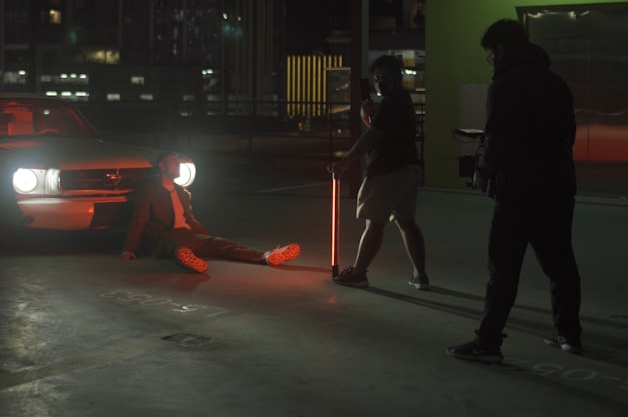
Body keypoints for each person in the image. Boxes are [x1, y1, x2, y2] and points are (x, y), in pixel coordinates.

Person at [448, 19, 582, 363]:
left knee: (503, 268)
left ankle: (489, 341)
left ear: (502, 49)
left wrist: (482, 172)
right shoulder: (556, 83)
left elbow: (496, 138)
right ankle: (569, 333)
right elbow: (569, 133)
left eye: (490, 54)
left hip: (518, 189)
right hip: (558, 184)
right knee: (560, 262)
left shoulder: (505, 85)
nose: (491, 61)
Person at [327, 55, 428, 290]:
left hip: (386, 171)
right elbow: (379, 129)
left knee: (374, 223)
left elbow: (371, 138)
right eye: (377, 78)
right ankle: (420, 275)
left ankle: (359, 273)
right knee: (406, 222)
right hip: (407, 169)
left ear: (398, 77)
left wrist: (345, 161)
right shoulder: (401, 100)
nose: (380, 83)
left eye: (386, 78)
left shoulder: (392, 103)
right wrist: (367, 114)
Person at [119, 152, 300, 273]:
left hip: (187, 234)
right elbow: (139, 221)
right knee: (176, 246)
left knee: (223, 245)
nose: (178, 165)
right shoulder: (150, 192)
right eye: (173, 162)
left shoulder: (181, 191)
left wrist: (207, 238)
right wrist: (129, 248)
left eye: (178, 162)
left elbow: (189, 218)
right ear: (161, 166)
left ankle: (266, 256)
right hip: (163, 236)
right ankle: (188, 259)